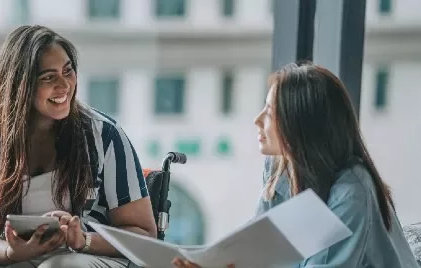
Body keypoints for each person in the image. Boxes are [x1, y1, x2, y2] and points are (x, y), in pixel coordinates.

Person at [0, 25, 157, 268]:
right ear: (20, 84)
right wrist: (10, 252)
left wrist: (84, 240)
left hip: (84, 258)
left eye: (68, 71)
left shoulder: (105, 134)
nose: (64, 85)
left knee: (59, 266)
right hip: (5, 257)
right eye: (48, 77)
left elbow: (144, 234)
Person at [173, 62, 419, 268]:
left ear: (300, 123)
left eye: (270, 112)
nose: (257, 120)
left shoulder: (352, 190)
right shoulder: (279, 169)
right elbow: (258, 253)